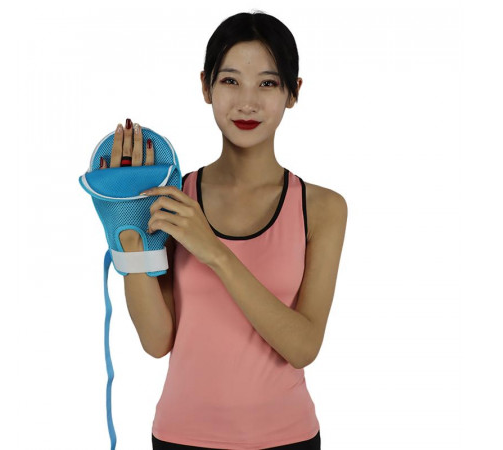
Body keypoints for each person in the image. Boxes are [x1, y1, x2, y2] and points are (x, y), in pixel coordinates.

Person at [99, 11, 347, 450]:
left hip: (287, 439)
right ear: (205, 86)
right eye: (230, 80)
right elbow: (157, 341)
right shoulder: (174, 200)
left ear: (293, 92)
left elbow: (303, 347)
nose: (247, 102)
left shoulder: (322, 208)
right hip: (180, 437)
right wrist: (128, 226)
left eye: (268, 83)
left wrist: (213, 251)